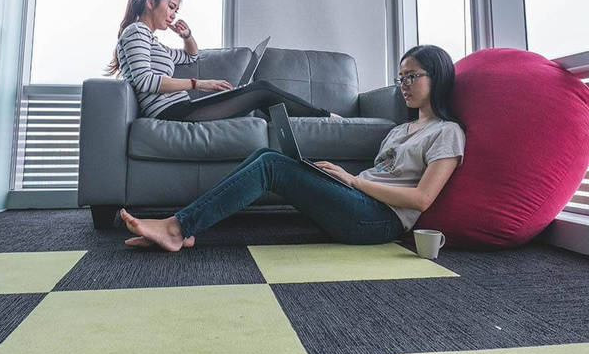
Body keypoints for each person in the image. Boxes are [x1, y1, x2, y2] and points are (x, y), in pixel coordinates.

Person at [120, 44, 466, 251]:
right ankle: (185, 227)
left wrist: (352, 181)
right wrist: (338, 178)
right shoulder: (400, 129)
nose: (404, 84)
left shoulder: (446, 132)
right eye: (401, 78)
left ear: (437, 77)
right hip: (360, 201)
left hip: (380, 221)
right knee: (265, 156)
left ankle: (177, 229)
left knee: (271, 165)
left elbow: (421, 199)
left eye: (412, 76)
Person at [105, 0, 331, 122]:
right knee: (261, 90)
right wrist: (199, 84)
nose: (173, 15)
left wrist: (187, 36)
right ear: (150, 3)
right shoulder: (136, 32)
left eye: (176, 10)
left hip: (180, 108)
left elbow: (191, 56)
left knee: (261, 96)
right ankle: (326, 118)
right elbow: (145, 81)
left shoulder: (153, 42)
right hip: (172, 112)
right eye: (171, 7)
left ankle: (311, 124)